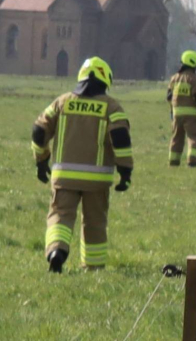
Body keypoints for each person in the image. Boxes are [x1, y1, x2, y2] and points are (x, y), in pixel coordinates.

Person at [31, 57, 133, 272]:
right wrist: (125, 171)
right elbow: (121, 138)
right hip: (97, 181)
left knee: (60, 216)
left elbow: (39, 130)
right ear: (105, 79)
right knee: (94, 223)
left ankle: (56, 252)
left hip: (64, 177)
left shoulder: (62, 102)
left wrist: (41, 160)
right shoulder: (111, 106)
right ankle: (93, 268)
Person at [167, 50, 196, 167]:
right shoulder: (194, 79)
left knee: (176, 138)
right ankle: (192, 162)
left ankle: (173, 162)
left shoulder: (174, 78)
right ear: (193, 63)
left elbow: (169, 97)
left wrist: (172, 111)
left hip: (177, 114)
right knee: (193, 137)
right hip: (191, 116)